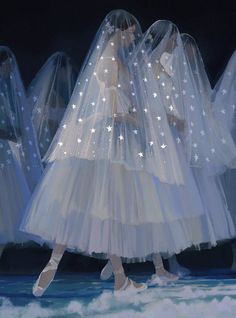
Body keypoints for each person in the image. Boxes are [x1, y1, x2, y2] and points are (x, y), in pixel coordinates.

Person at [20, 10, 215, 296]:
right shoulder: (111, 62)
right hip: (111, 143)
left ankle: (68, 265)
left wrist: (139, 115)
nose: (134, 37)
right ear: (119, 32)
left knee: (88, 204)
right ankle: (115, 276)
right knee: (110, 206)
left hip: (104, 141)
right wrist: (136, 119)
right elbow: (110, 110)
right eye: (131, 33)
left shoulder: (112, 60)